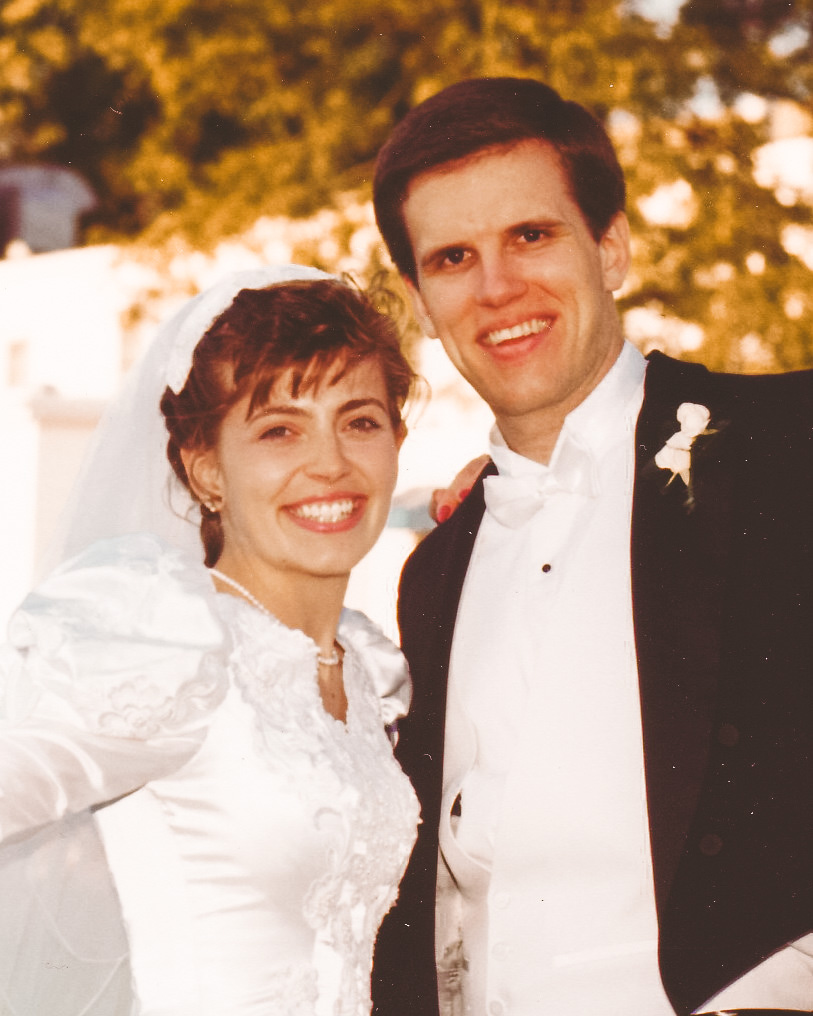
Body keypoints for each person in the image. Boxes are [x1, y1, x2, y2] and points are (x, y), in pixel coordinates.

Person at [370, 77, 813, 1016]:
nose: (497, 288)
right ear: (418, 299)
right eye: (453, 258)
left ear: (610, 247)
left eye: (531, 235)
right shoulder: (434, 572)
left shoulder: (784, 449)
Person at [0, 265, 420, 1016]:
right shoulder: (168, 646)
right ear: (205, 472)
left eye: (359, 421)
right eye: (279, 430)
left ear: (396, 440)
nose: (330, 462)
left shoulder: (364, 670)